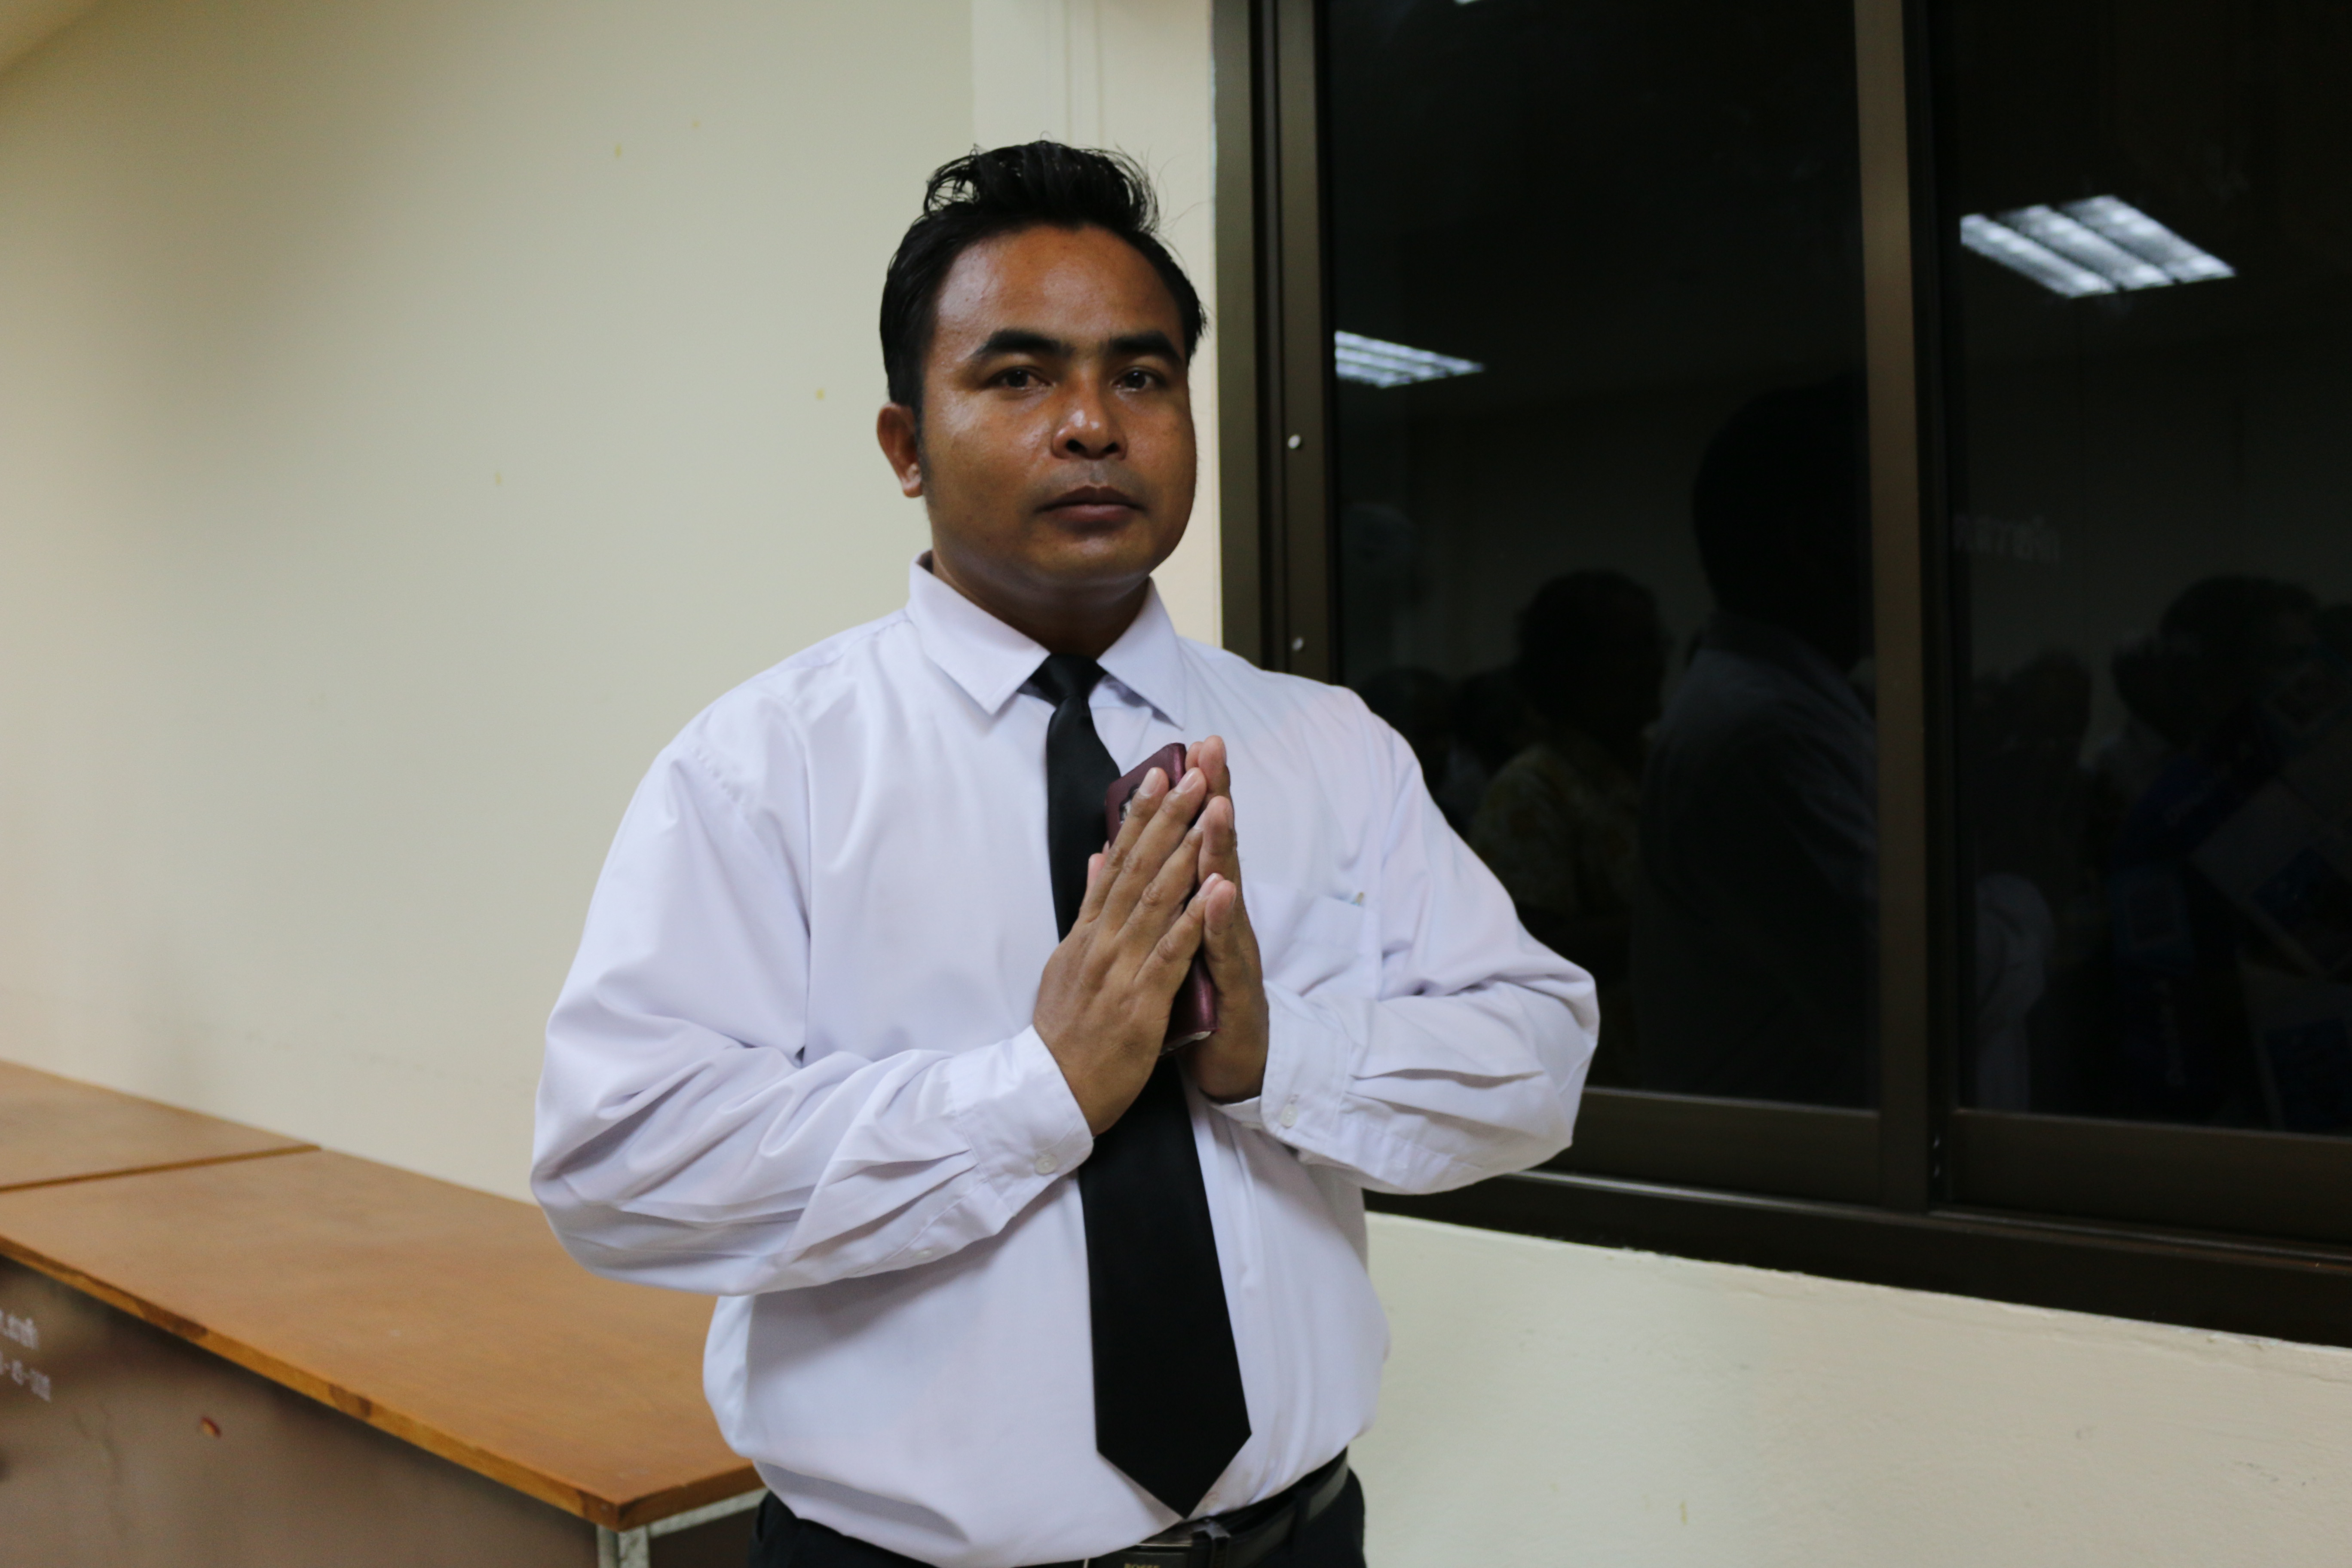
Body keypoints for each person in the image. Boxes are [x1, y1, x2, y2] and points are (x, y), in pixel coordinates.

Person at [531, 143, 1594, 1568]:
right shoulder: (765, 766)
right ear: (906, 445)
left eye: (1142, 375)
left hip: (1293, 1543)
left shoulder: (1326, 746)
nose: (1092, 423)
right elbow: (620, 1165)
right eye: (1020, 376)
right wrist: (1035, 1092)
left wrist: (1274, 1055)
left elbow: (1535, 1057)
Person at [1633, 379, 1876, 1105]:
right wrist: (2025, 895)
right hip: (1799, 1159)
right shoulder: (1761, 739)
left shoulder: (1784, 713)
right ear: (1812, 545)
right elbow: (1892, 995)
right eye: (1886, 517)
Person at [1468, 571, 1665, 1084]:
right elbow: (1526, 953)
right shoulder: (1532, 789)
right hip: (1595, 1085)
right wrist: (1675, 920)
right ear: (1571, 667)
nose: (1653, 665)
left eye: (1654, 645)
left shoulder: (1656, 765)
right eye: (1629, 650)